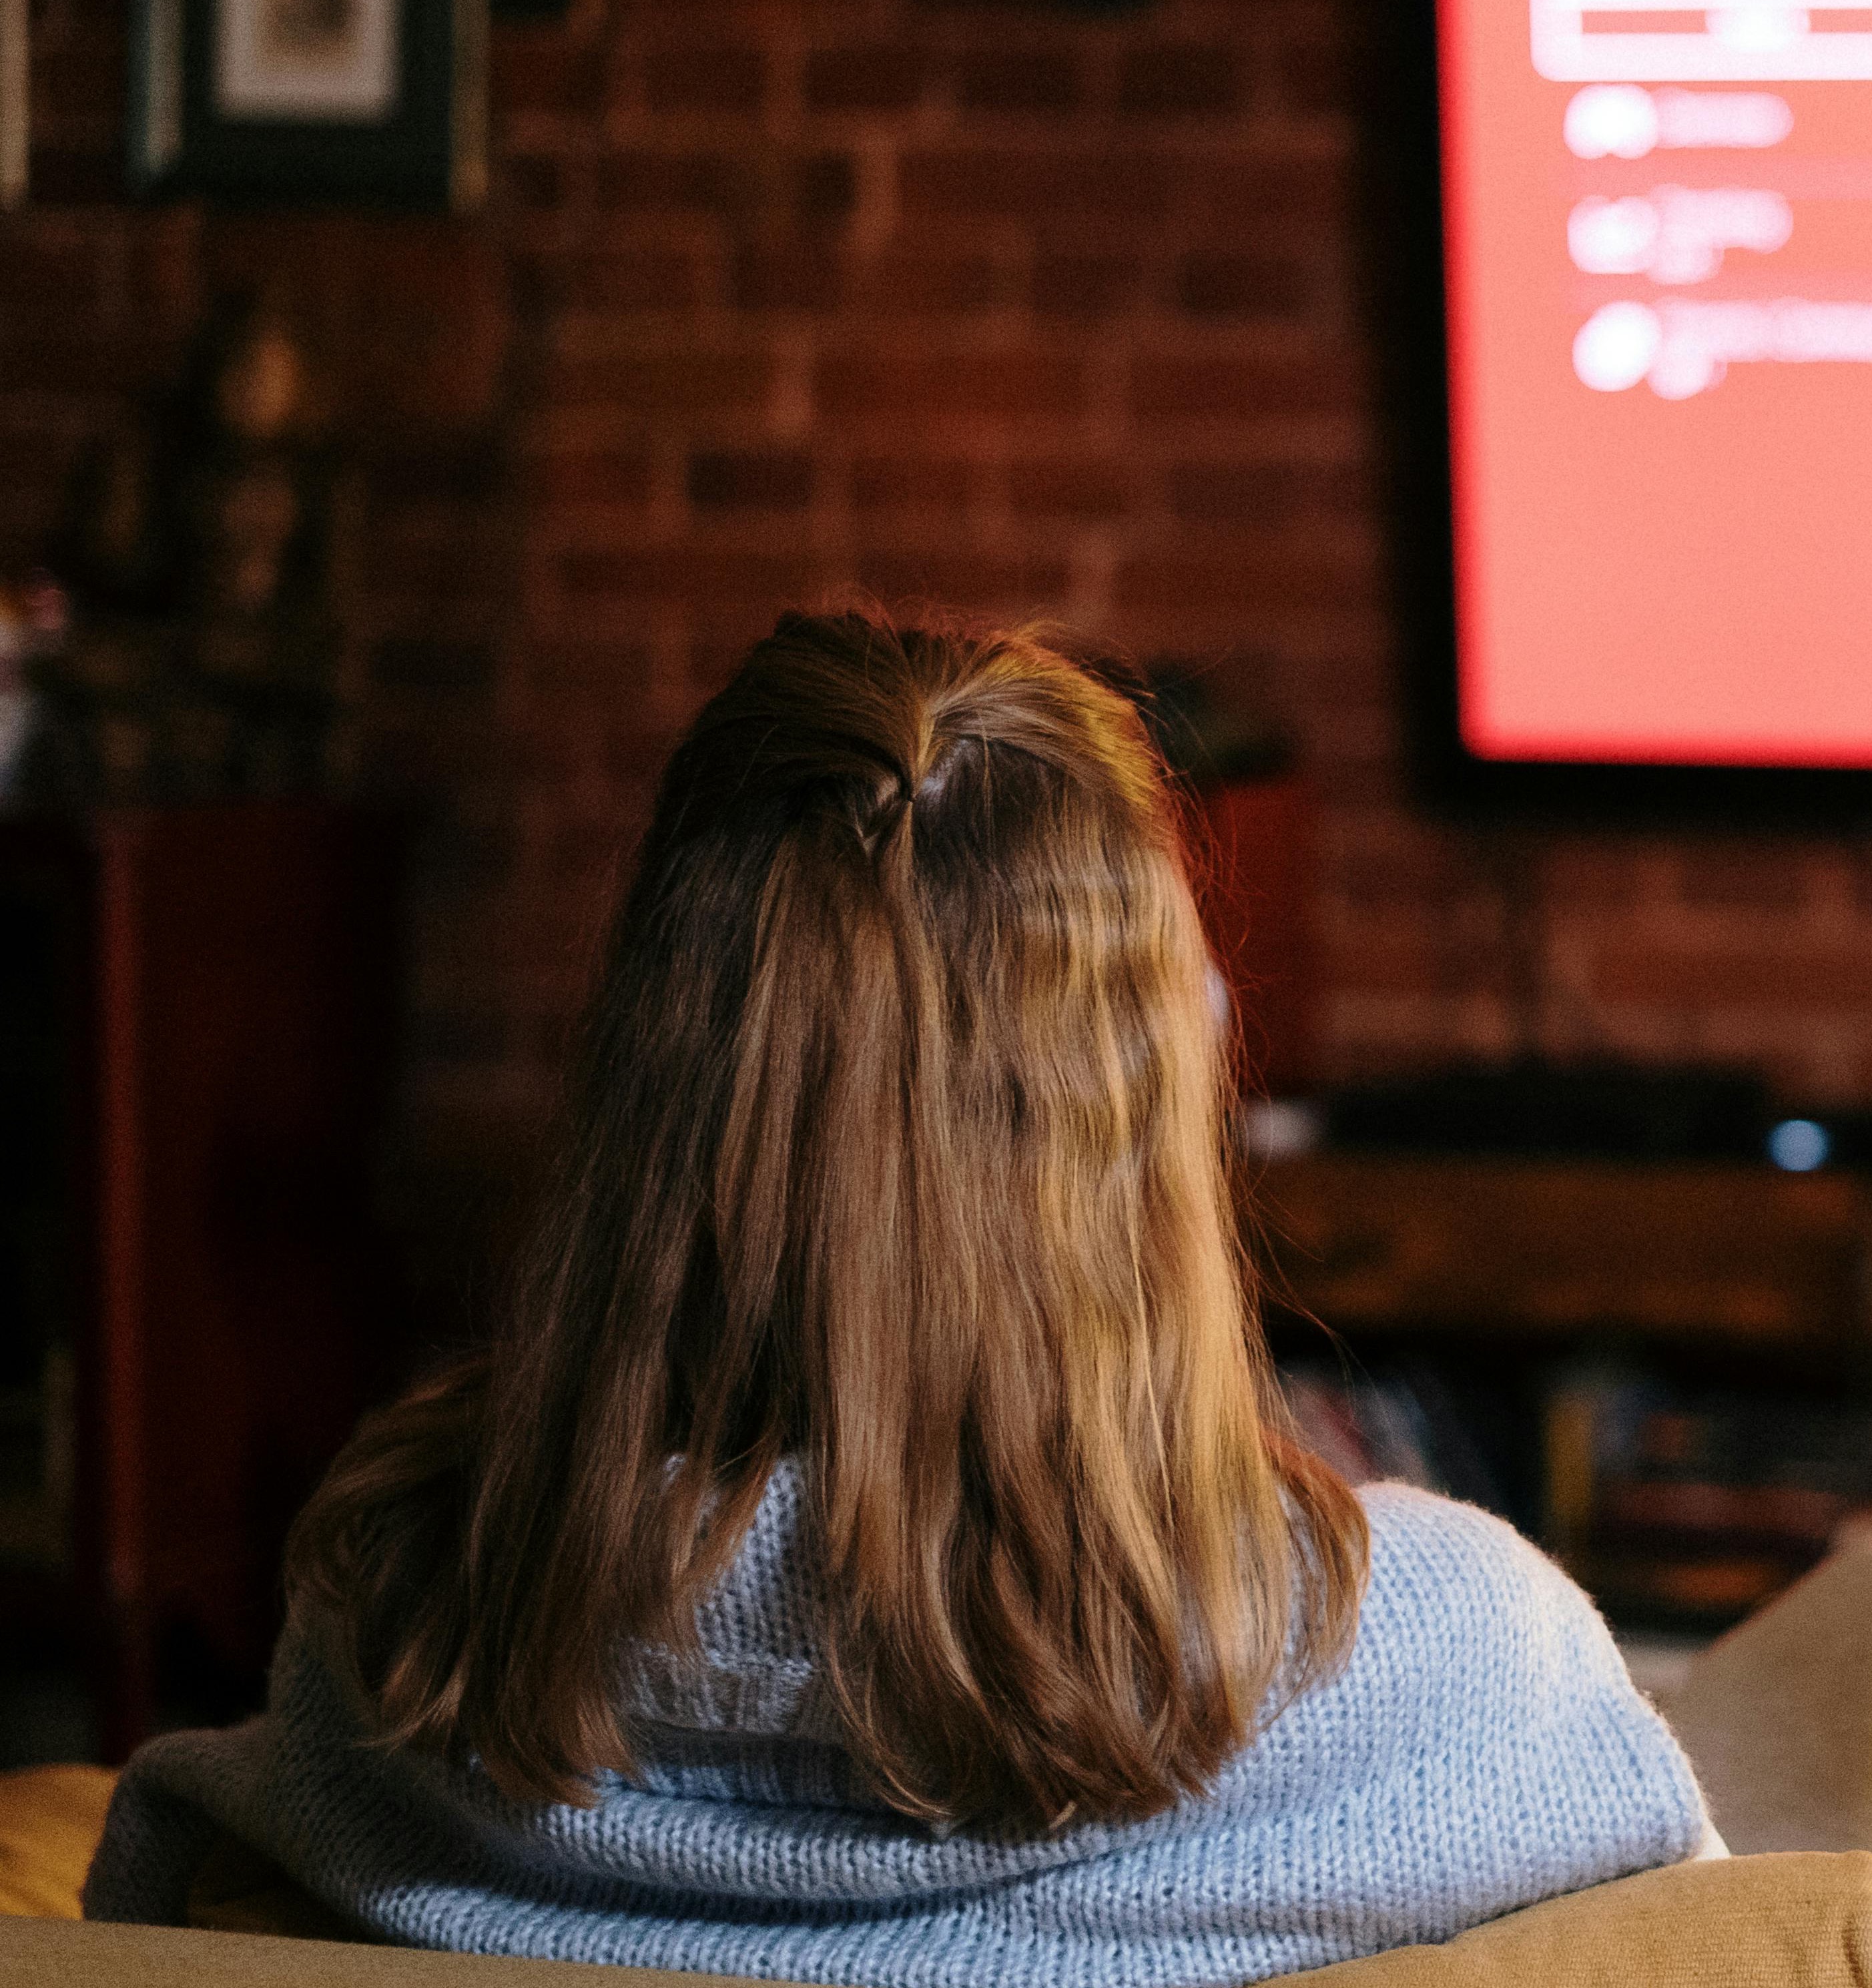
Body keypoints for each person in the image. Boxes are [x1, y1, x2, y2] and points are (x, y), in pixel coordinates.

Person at [83, 617, 1713, 1985]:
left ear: (651, 1080)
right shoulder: (1449, 1660)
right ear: (1145, 1112)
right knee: (1862, 1652)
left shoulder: (397, 1631)